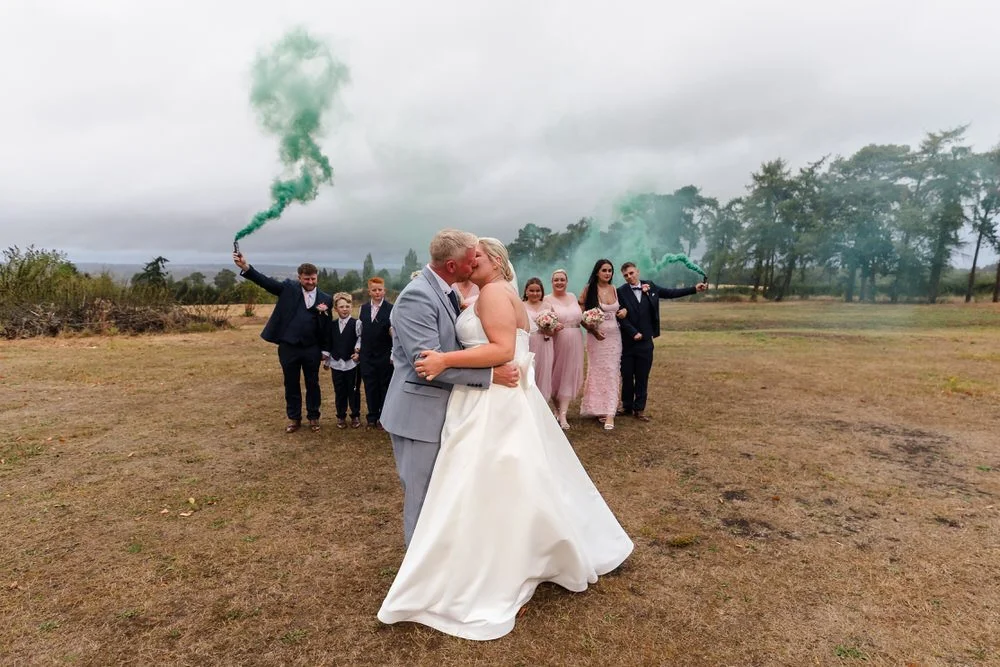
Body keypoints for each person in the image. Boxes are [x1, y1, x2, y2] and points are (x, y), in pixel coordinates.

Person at [377, 238, 633, 641]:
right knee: (496, 482)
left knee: (485, 480)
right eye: (468, 257)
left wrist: (445, 359)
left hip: (490, 403)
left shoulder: (495, 293)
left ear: (495, 261)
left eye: (477, 256)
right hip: (487, 396)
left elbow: (500, 349)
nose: (470, 261)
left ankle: (476, 566)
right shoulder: (487, 293)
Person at [379, 229, 520, 547]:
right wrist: (490, 376)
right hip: (418, 415)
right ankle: (417, 570)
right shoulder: (417, 297)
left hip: (445, 409)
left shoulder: (445, 291)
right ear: (453, 266)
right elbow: (427, 364)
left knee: (440, 493)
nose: (474, 264)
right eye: (471, 260)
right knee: (422, 494)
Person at [233, 252, 332, 433]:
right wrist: (245, 267)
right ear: (299, 278)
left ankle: (313, 417)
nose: (310, 282)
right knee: (291, 383)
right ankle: (294, 418)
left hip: (311, 348)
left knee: (313, 383)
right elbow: (265, 282)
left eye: (313, 278)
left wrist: (325, 350)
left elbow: (326, 327)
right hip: (288, 347)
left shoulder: (326, 299)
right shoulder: (288, 289)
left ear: (317, 277)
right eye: (306, 279)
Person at [616, 261, 708, 420]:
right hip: (628, 342)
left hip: (646, 341)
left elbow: (670, 293)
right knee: (627, 375)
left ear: (637, 271)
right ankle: (627, 406)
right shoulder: (620, 292)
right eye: (626, 275)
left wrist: (694, 289)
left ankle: (639, 409)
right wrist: (633, 333)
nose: (629, 277)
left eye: (631, 273)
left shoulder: (650, 286)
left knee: (642, 376)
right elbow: (620, 317)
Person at [579, 259, 625, 430]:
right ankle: (598, 407)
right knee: (597, 371)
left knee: (612, 371)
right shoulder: (589, 289)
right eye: (604, 270)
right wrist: (592, 330)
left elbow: (622, 308)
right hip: (596, 338)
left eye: (610, 270)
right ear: (597, 272)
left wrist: (624, 311)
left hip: (614, 337)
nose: (607, 273)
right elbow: (580, 314)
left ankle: (610, 411)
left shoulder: (614, 289)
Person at [542, 269, 584, 429]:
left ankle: (563, 415)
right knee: (555, 375)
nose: (559, 282)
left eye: (562, 280)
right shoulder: (547, 300)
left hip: (576, 339)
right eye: (556, 280)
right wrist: (552, 326)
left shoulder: (572, 296)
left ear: (567, 281)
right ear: (552, 282)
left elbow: (580, 317)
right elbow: (544, 322)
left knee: (569, 373)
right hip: (557, 340)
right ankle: (557, 409)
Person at [358, 277, 393, 429]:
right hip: (367, 355)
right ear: (369, 291)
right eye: (374, 290)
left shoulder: (391, 309)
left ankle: (383, 418)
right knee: (370, 386)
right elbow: (360, 332)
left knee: (384, 386)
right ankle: (372, 416)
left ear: (384, 291)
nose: (377, 292)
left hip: (384, 355)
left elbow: (394, 333)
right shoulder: (363, 309)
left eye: (380, 290)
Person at [323, 292, 362, 429]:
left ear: (351, 307)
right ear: (336, 309)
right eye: (341, 307)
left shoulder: (357, 323)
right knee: (339, 390)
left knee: (353, 390)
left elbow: (360, 338)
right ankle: (340, 416)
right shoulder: (332, 325)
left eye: (347, 306)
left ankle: (355, 415)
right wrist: (326, 360)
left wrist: (358, 351)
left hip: (352, 363)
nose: (344, 309)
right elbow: (329, 343)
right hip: (336, 363)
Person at [522, 277, 554, 402]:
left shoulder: (548, 306)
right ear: (526, 291)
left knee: (544, 372)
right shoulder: (521, 306)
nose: (535, 293)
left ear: (542, 292)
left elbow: (553, 328)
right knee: (529, 372)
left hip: (545, 342)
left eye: (538, 291)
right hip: (528, 342)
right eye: (532, 290)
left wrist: (551, 328)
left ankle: (543, 402)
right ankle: (529, 402)